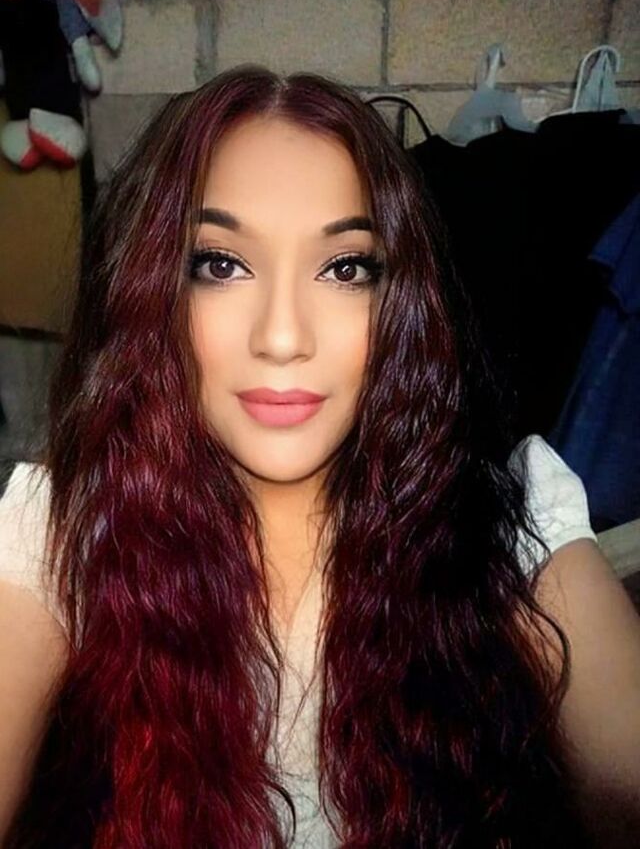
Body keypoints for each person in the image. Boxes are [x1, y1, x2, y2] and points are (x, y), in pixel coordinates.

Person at [1, 64, 639, 848]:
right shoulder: (60, 528)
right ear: (150, 291)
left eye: (344, 268)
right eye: (220, 264)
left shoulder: (510, 522)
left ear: (400, 301)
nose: (282, 337)